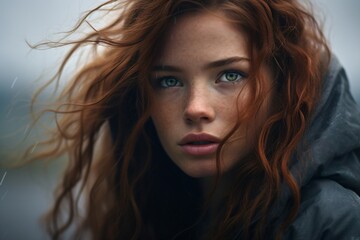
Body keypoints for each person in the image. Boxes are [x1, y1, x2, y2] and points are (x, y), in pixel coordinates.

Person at [25, 0, 360, 239]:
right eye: (169, 81)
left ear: (282, 87)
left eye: (230, 75)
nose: (195, 108)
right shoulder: (152, 213)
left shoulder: (334, 223)